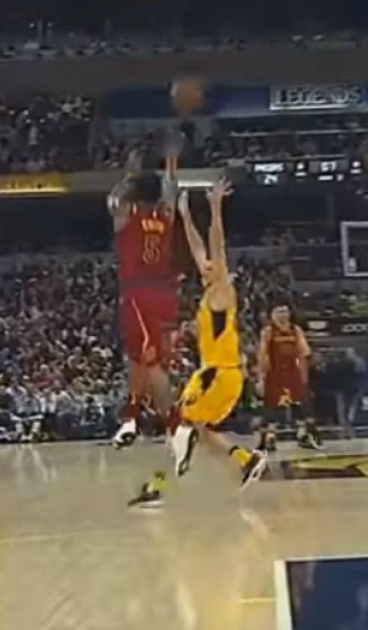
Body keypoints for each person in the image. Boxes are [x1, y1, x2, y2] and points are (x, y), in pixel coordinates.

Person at [129, 180, 268, 507]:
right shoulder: (210, 289)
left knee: (182, 424)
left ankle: (172, 473)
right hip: (218, 376)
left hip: (217, 375)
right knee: (199, 431)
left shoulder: (223, 291)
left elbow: (216, 245)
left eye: (213, 263)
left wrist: (216, 209)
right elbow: (198, 250)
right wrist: (184, 214)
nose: (206, 263)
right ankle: (245, 460)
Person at [108, 140, 183, 449]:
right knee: (138, 359)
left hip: (139, 292)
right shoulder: (166, 215)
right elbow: (172, 190)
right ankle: (131, 416)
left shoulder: (128, 213)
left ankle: (175, 425)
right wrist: (171, 163)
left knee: (151, 364)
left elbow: (113, 200)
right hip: (165, 294)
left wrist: (129, 173)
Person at [256, 302, 321, 451]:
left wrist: (304, 373)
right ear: (272, 315)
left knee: (300, 405)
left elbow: (305, 352)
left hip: (294, 373)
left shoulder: (296, 330)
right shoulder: (268, 332)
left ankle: (303, 435)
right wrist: (261, 377)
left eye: (285, 312)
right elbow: (262, 355)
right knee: (272, 407)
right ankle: (269, 437)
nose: (283, 315)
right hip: (274, 374)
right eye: (279, 312)